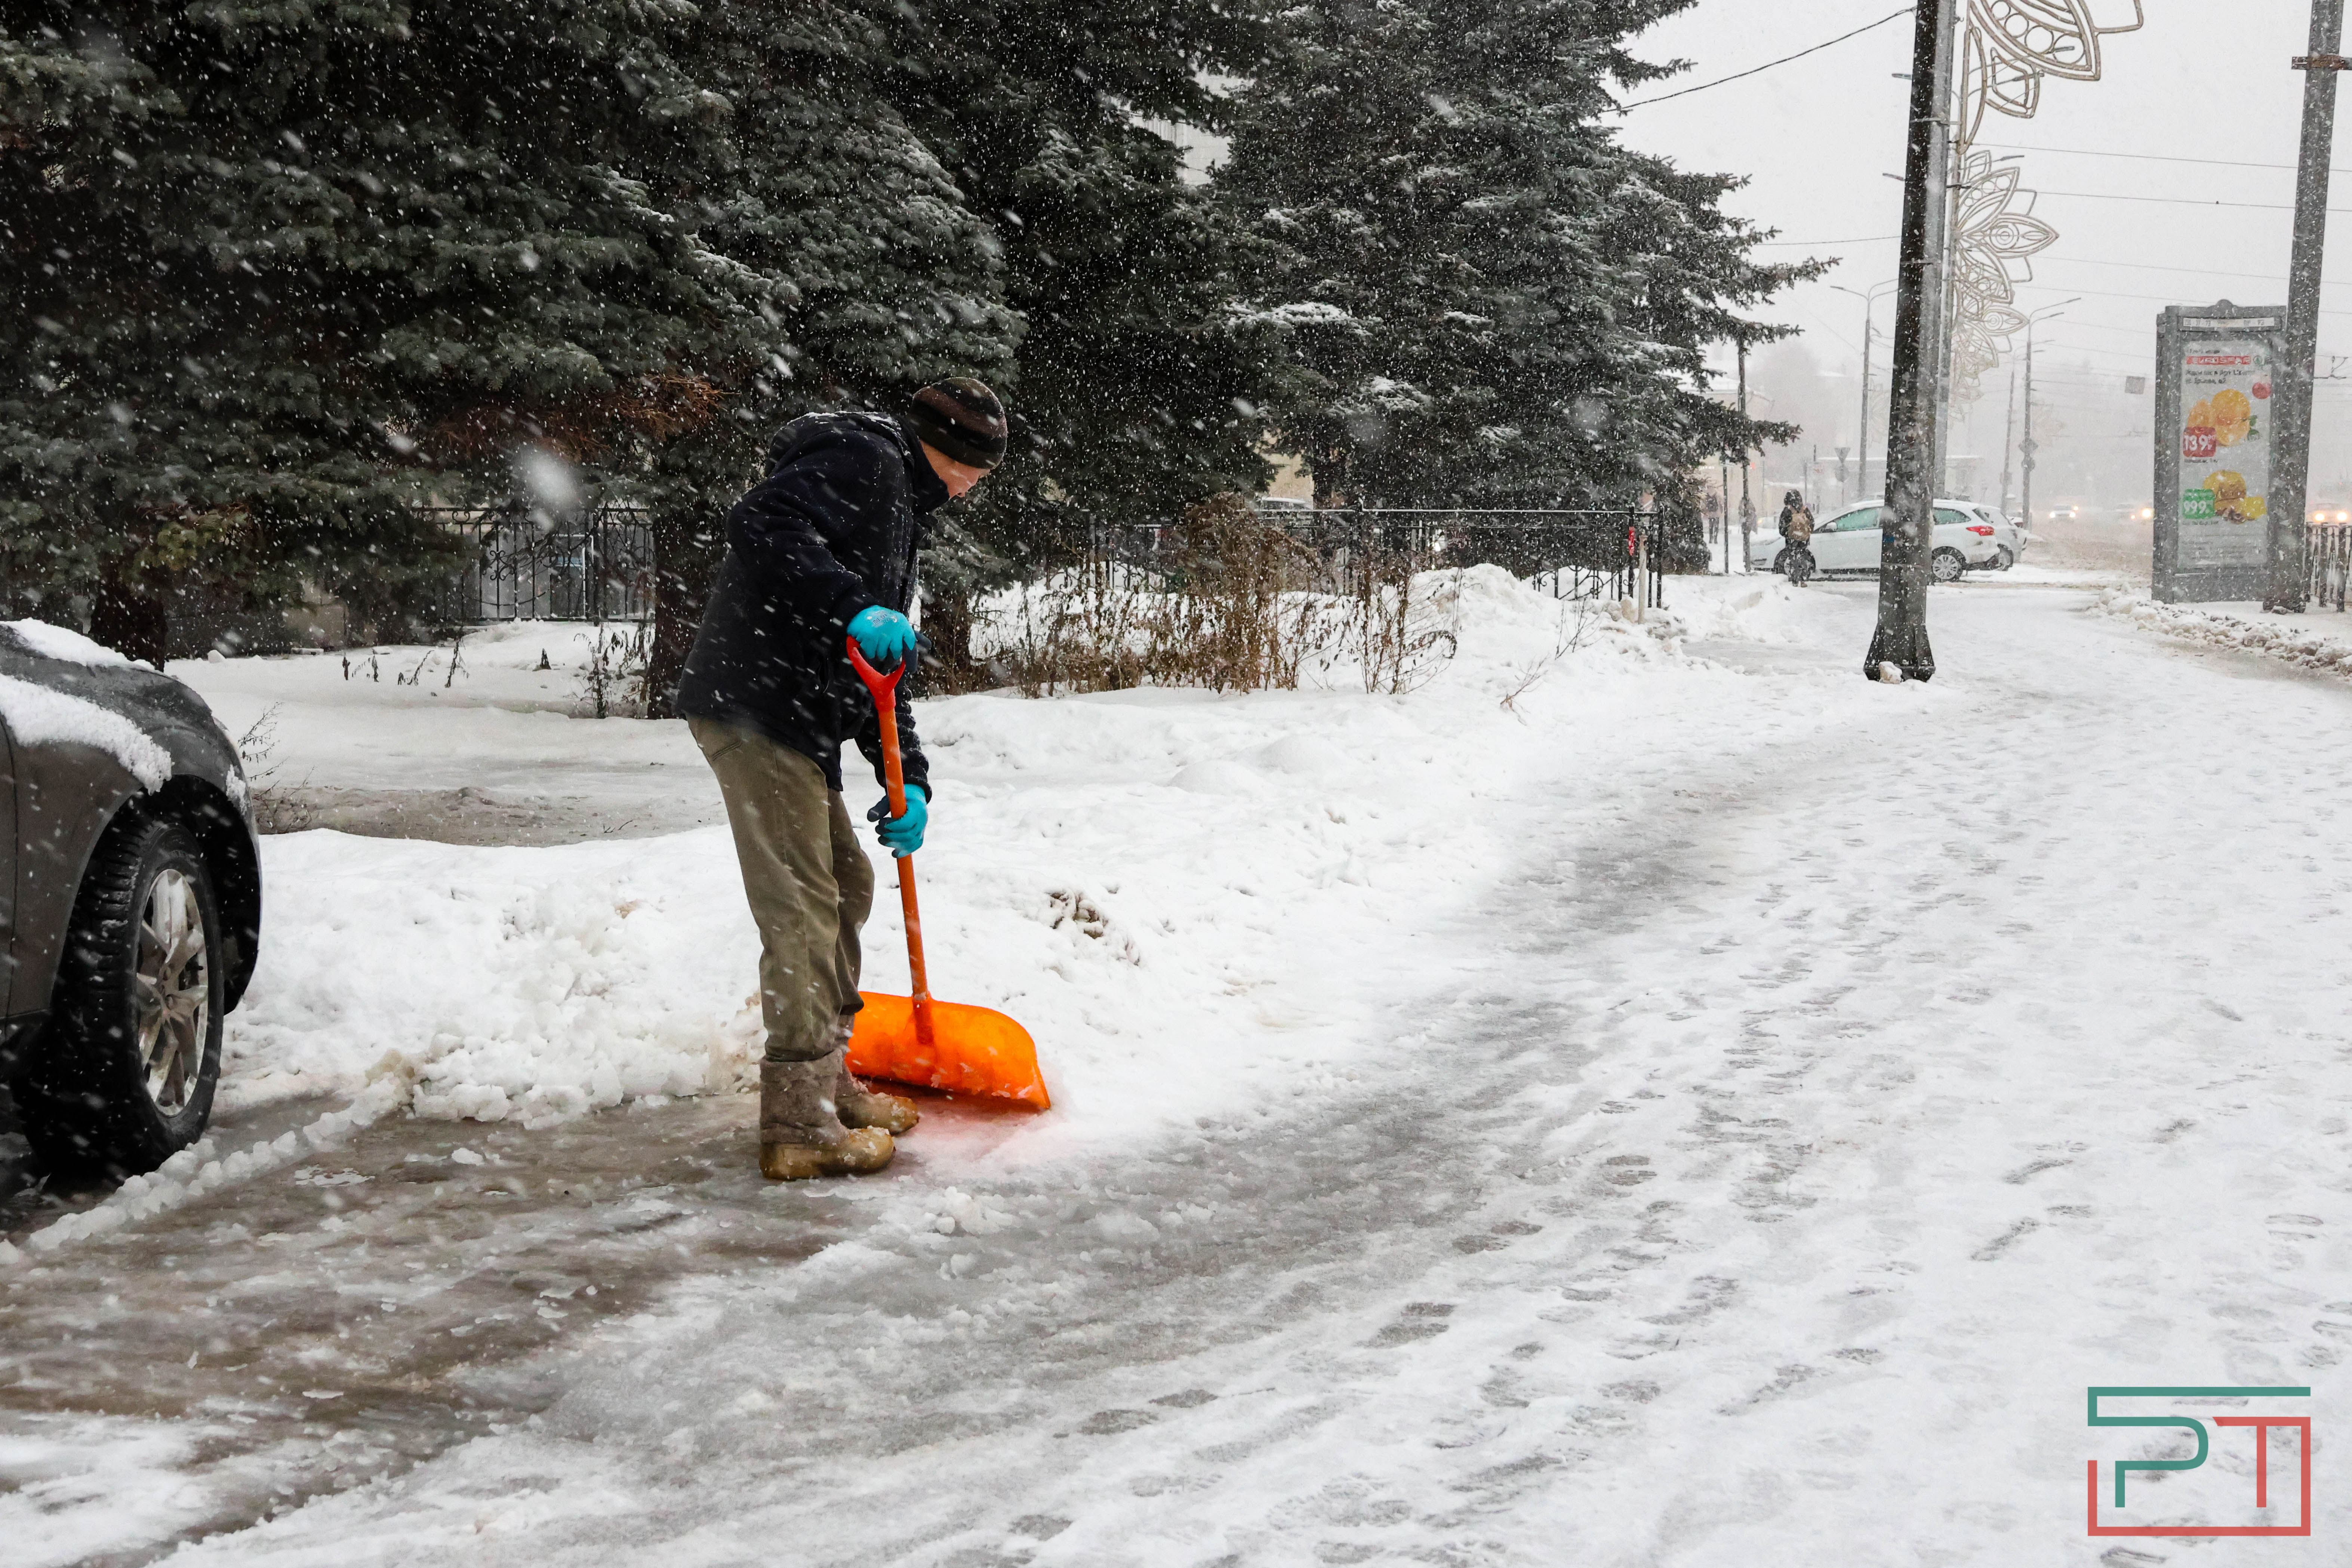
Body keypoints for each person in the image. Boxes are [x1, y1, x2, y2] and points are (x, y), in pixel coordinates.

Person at [673, 378, 1007, 1180]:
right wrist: (852, 603)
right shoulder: (868, 458)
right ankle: (797, 1126)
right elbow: (762, 521)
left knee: (846, 884)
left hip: (800, 718)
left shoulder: (898, 505)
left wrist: (908, 778)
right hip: (757, 707)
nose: (973, 488)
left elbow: (877, 665)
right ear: (953, 455)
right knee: (801, 908)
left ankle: (827, 1080)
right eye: (978, 472)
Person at [1776, 489, 1816, 584]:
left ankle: (1795, 579)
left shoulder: (1788, 510)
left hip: (1792, 540)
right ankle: (1803, 578)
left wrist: (1789, 534)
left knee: (1793, 557)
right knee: (1802, 556)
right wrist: (1805, 533)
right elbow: (1812, 524)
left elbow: (1782, 528)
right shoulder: (1805, 509)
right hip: (1804, 540)